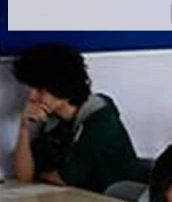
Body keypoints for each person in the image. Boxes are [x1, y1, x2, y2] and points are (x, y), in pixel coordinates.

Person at [11, 42, 149, 192]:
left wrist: (42, 174)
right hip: (82, 199)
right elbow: (25, 176)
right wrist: (24, 129)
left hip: (119, 199)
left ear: (61, 86)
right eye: (30, 88)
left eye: (40, 90)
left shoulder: (100, 120)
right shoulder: (53, 122)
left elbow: (66, 178)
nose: (31, 97)